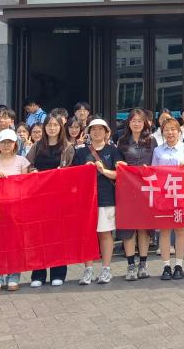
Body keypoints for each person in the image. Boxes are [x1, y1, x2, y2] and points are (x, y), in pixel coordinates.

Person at [26, 115, 75, 287]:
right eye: (49, 125)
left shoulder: (67, 147)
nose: (52, 128)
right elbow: (28, 165)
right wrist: (32, 171)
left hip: (59, 198)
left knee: (58, 236)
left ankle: (58, 273)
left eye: (55, 125)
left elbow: (73, 170)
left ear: (61, 127)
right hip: (39, 197)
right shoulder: (37, 146)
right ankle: (38, 274)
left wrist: (64, 172)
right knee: (38, 236)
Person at [0, 130, 31, 291]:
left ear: (15, 144)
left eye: (9, 142)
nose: (6, 145)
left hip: (15, 210)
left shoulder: (22, 161)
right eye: (3, 142)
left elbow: (26, 186)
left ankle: (13, 277)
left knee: (14, 244)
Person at [77, 119, 122, 284]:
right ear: (88, 132)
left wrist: (103, 171)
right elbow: (74, 176)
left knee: (105, 233)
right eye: (93, 129)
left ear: (106, 132)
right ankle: (88, 270)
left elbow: (119, 174)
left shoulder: (113, 150)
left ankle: (106, 269)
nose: (97, 132)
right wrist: (85, 169)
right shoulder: (80, 152)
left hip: (106, 197)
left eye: (100, 129)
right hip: (86, 199)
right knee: (87, 234)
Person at [152, 117, 184, 280]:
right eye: (166, 130)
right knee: (164, 231)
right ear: (162, 132)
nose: (170, 132)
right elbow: (154, 172)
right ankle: (166, 266)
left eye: (173, 129)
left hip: (181, 194)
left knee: (180, 230)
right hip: (164, 195)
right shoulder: (158, 151)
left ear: (179, 131)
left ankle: (179, 265)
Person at [117, 108, 155, 281]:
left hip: (146, 188)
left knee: (144, 227)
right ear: (129, 123)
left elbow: (156, 162)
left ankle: (143, 263)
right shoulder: (122, 141)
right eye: (133, 120)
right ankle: (131, 264)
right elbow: (118, 163)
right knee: (128, 227)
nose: (137, 123)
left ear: (145, 123)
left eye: (140, 120)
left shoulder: (151, 140)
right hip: (127, 189)